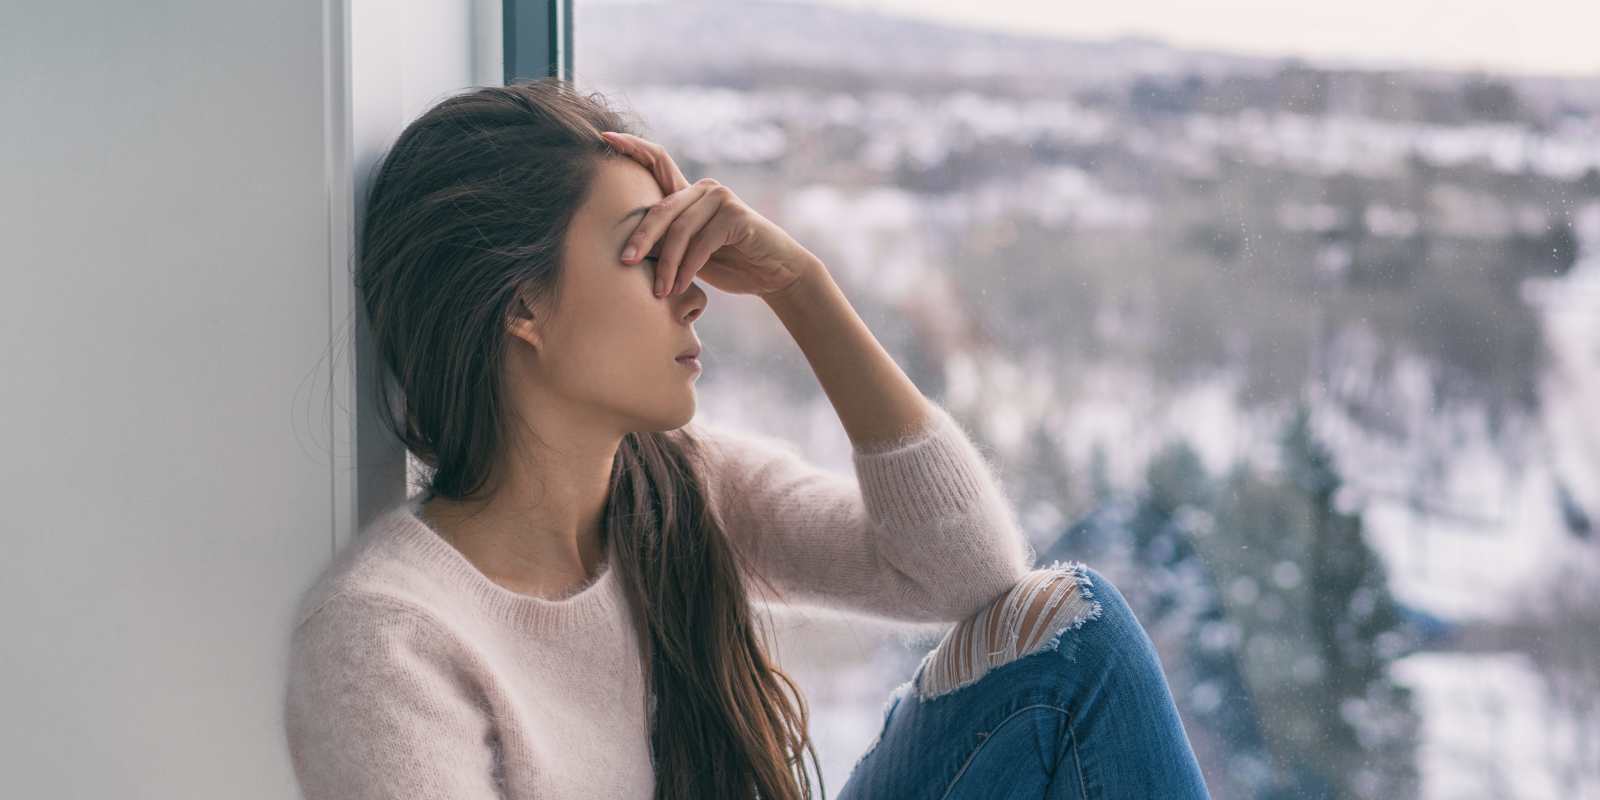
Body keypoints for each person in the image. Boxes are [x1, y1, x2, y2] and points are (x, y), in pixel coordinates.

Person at [281, 76, 1210, 800]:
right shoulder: (389, 639)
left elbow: (970, 579)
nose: (693, 291)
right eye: (648, 252)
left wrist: (800, 287)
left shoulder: (681, 489)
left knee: (1076, 630)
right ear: (524, 304)